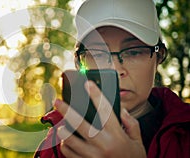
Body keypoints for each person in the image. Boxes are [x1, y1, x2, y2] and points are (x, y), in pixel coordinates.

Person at [34, 0, 190, 157]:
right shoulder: (57, 143)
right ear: (79, 63)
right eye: (98, 54)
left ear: (158, 57)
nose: (115, 69)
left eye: (134, 52)